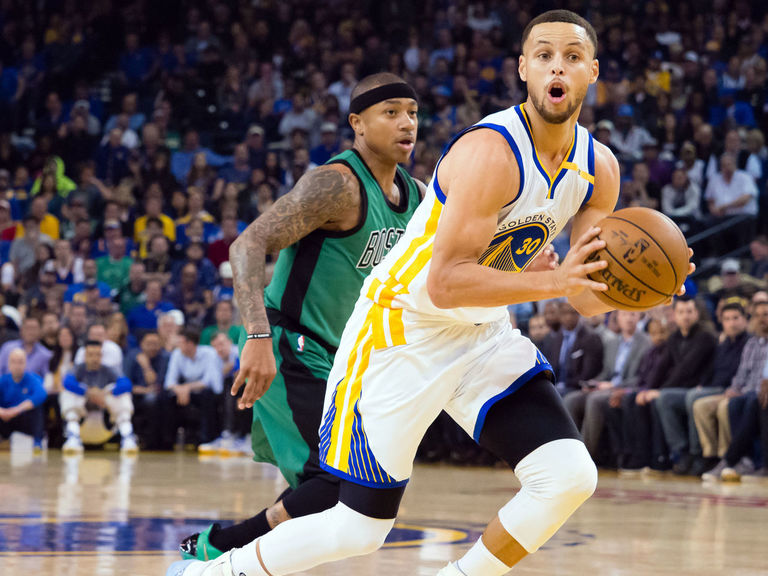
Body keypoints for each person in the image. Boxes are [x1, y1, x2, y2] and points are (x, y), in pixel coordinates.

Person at [169, 11, 691, 576]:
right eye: (542, 55)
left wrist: (642, 293)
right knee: (357, 528)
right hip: (399, 333)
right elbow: (444, 284)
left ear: (592, 71)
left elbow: (586, 297)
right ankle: (215, 572)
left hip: (481, 333)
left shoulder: (598, 169)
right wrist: (555, 280)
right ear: (523, 69)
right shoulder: (491, 152)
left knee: (568, 476)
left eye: (570, 56)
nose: (556, 66)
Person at [178, 72, 423, 561]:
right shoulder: (337, 184)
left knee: (348, 494)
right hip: (293, 345)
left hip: (347, 362)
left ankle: (228, 550)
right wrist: (258, 335)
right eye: (390, 112)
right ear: (357, 123)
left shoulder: (415, 195)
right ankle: (221, 549)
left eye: (413, 113)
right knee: (334, 483)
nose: (406, 124)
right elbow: (248, 243)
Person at [59, 340, 137, 454]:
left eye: (98, 355)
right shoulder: (78, 368)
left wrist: (106, 393)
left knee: (123, 394)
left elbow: (126, 384)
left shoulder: (109, 369)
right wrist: (88, 392)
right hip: (83, 411)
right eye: (91, 355)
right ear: (85, 356)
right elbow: (67, 383)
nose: (94, 358)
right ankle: (72, 436)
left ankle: (127, 437)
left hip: (106, 412)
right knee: (67, 393)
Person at [162, 328, 222, 448]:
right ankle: (167, 441)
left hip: (210, 391)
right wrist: (180, 389)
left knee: (206, 397)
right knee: (164, 398)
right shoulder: (177, 354)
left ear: (190, 343)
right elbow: (169, 382)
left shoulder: (209, 353)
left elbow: (207, 382)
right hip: (187, 392)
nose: (178, 345)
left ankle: (206, 439)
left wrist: (185, 388)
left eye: (181, 343)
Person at [0, 348, 46, 447]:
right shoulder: (3, 381)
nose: (17, 366)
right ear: (8, 364)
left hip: (25, 419)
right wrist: (2, 412)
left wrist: (16, 410)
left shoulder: (33, 379)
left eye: (20, 362)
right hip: (6, 420)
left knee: (37, 408)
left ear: (25, 364)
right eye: (14, 362)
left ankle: (37, 442)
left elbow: (41, 394)